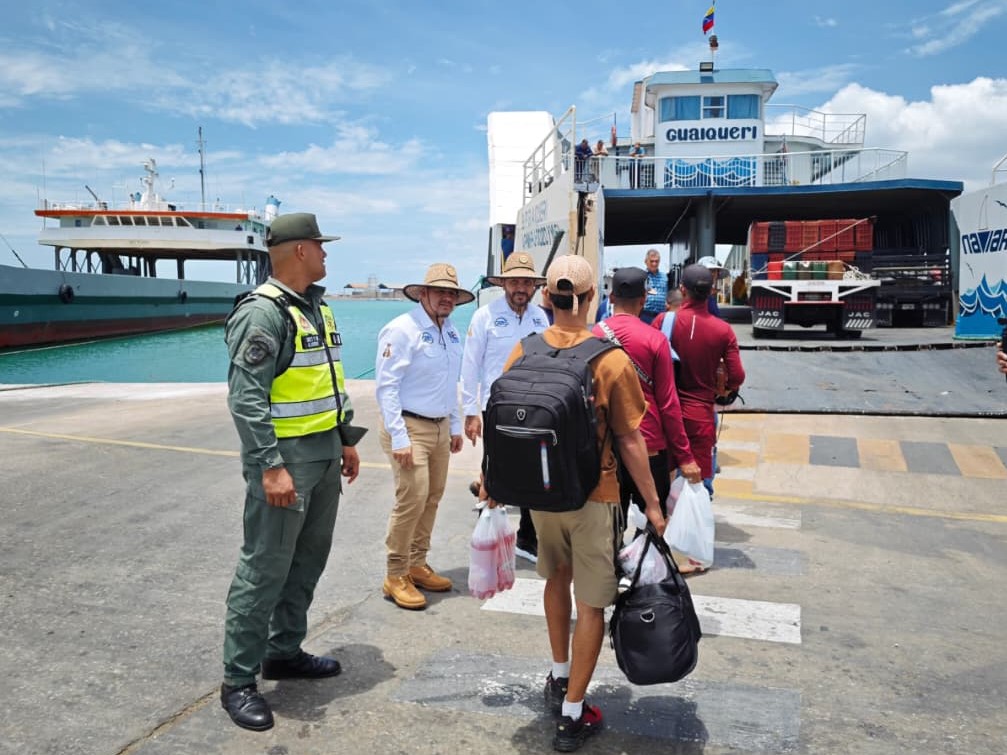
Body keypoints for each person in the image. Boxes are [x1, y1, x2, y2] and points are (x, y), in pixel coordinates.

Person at [490, 254, 666, 753]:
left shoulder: (523, 349)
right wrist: (653, 505)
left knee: (555, 580)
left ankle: (558, 672)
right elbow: (630, 440)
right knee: (591, 604)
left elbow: (505, 419)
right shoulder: (609, 360)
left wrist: (491, 482)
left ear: (546, 297)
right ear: (592, 299)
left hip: (541, 497)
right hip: (595, 496)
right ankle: (572, 712)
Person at [220, 212, 365, 732]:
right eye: (320, 246)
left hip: (323, 454)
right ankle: (238, 680)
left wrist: (344, 439)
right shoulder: (262, 313)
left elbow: (328, 381)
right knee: (264, 568)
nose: (325, 254)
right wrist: (270, 467)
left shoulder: (316, 308)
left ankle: (283, 652)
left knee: (307, 561)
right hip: (286, 461)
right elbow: (246, 400)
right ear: (300, 250)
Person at [375, 263, 472, 610]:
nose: (447, 298)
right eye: (440, 291)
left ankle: (416, 563)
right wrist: (399, 437)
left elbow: (449, 381)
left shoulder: (452, 331)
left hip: (440, 425)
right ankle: (395, 573)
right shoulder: (402, 329)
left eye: (452, 293)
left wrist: (455, 425)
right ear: (424, 294)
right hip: (408, 425)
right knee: (412, 498)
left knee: (432, 496)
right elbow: (387, 386)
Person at [592, 267, 701, 525]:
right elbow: (669, 404)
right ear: (643, 299)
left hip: (607, 448)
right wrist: (685, 456)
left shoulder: (593, 336)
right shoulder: (655, 339)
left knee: (610, 530)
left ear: (612, 298)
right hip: (649, 446)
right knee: (655, 527)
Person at [461, 251, 549, 562]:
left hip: (534, 407)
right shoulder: (484, 316)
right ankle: (487, 534)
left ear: (534, 286)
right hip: (496, 408)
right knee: (494, 470)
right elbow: (470, 365)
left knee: (534, 472)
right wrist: (470, 411)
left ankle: (527, 537)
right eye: (514, 282)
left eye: (526, 282)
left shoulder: (541, 318)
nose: (520, 288)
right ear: (503, 284)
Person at [671, 264, 746, 499]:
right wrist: (722, 387)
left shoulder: (664, 322)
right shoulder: (723, 330)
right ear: (711, 291)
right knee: (698, 486)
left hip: (668, 415)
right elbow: (738, 376)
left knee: (666, 482)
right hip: (700, 416)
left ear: (683, 290)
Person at [641, 249, 667, 324]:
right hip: (646, 314)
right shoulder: (642, 276)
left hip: (661, 315)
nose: (654, 264)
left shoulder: (665, 277)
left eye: (656, 261)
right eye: (651, 261)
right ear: (646, 261)